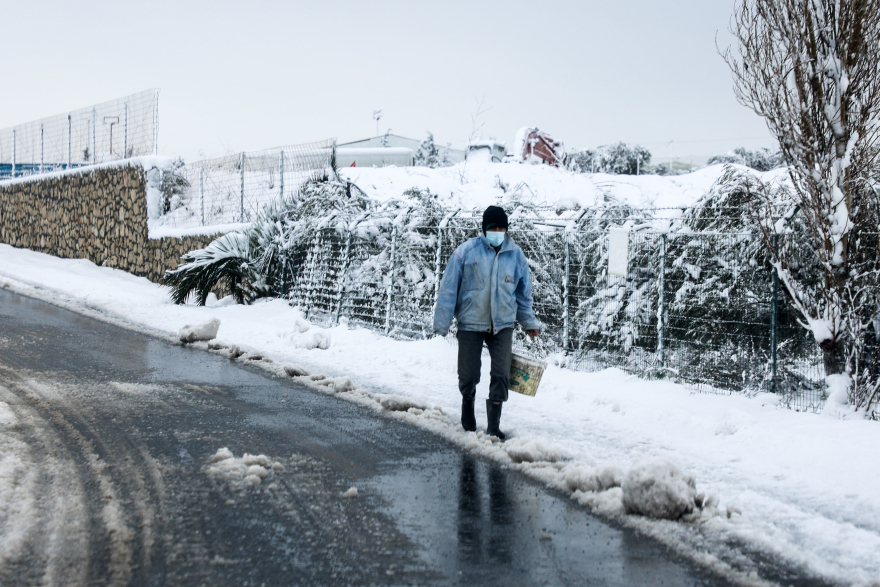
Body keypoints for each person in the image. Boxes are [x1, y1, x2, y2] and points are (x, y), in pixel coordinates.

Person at [433, 205, 540, 439]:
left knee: (501, 373)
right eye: (493, 228)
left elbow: (523, 295)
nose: (498, 231)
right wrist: (442, 323)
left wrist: (529, 322)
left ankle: (494, 425)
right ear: (484, 229)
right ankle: (467, 404)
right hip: (471, 323)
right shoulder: (466, 252)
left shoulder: (516, 256)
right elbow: (449, 289)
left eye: (502, 228)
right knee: (469, 373)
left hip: (503, 324)